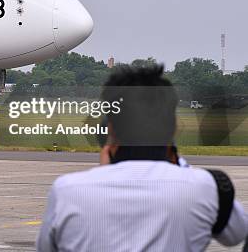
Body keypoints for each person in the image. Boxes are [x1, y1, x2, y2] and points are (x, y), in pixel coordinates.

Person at [36, 65, 248, 252]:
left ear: (110, 128)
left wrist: (105, 172)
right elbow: (236, 235)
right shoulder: (206, 187)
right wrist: (177, 163)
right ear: (174, 127)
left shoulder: (66, 190)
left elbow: (47, 248)